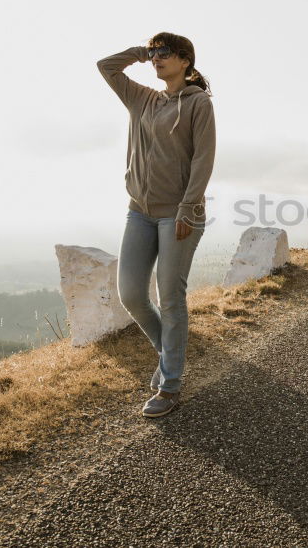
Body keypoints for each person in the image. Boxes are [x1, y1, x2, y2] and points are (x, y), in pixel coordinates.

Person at [96, 32, 216, 418]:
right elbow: (106, 67)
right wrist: (139, 52)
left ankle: (170, 386)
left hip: (180, 213)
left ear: (185, 61)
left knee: (170, 297)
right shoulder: (142, 98)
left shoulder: (198, 104)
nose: (157, 59)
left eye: (165, 53)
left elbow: (202, 160)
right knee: (131, 293)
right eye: (155, 53)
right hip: (140, 211)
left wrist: (187, 208)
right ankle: (167, 353)